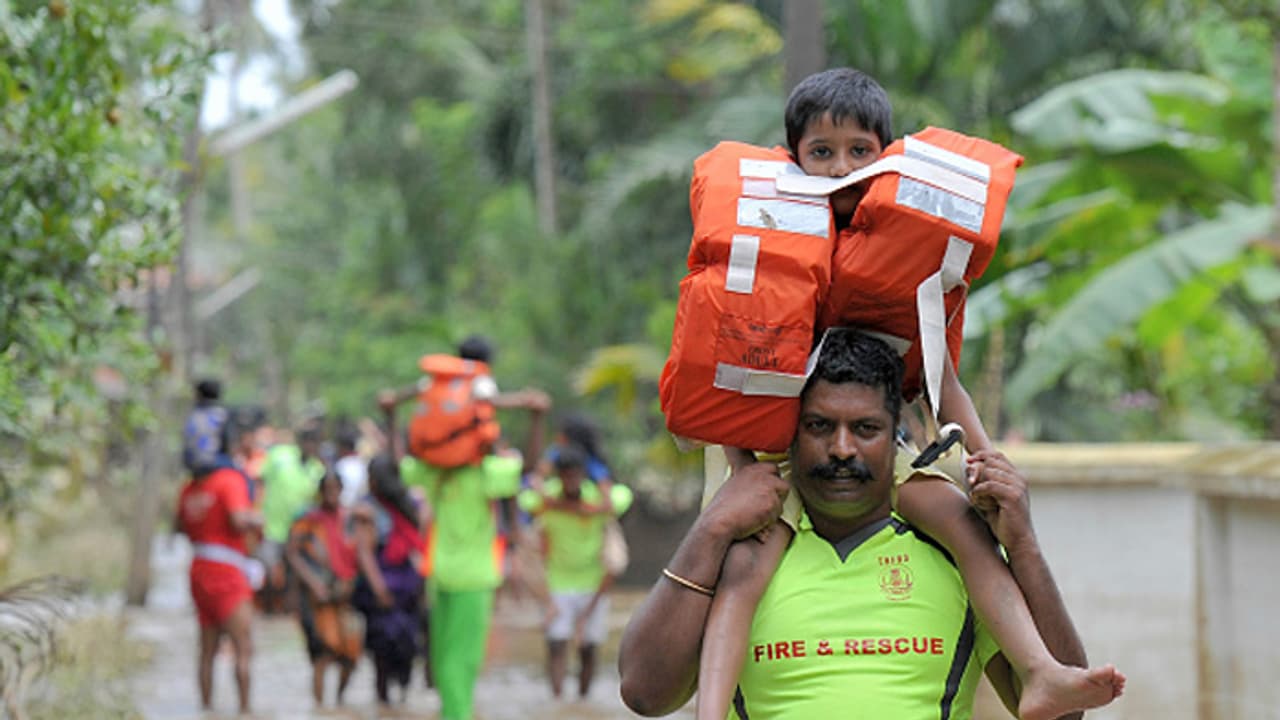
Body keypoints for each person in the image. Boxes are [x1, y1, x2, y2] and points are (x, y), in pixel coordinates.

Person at [696, 67, 1120, 720]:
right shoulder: (766, 247)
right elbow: (730, 380)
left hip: (883, 444)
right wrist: (740, 480)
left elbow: (944, 383)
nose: (841, 168)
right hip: (774, 459)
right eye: (822, 153)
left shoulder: (907, 255)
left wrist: (985, 457)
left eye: (858, 152)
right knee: (747, 567)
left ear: (887, 157)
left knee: (960, 523)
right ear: (791, 161)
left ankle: (1040, 670)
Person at [619, 329, 1124, 718]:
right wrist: (710, 530)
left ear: (896, 434)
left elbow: (1065, 714)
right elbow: (643, 694)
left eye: (865, 429)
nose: (842, 449)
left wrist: (1025, 544)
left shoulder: (954, 548)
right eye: (818, 426)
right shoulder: (739, 547)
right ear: (787, 432)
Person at [382, 351, 551, 720]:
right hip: (464, 576)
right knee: (455, 663)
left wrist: (392, 415)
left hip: (448, 575)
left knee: (448, 663)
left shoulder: (440, 472)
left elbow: (398, 465)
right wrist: (536, 419)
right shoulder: (479, 472)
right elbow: (531, 466)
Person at [517, 445, 633, 699]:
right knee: (556, 644)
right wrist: (542, 484)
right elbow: (524, 497)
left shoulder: (597, 497)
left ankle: (582, 703)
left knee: (589, 649)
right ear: (559, 476)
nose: (571, 481)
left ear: (583, 475)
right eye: (565, 475)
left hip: (594, 583)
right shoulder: (547, 496)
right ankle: (557, 703)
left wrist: (593, 504)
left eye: (575, 475)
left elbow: (624, 497)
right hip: (557, 582)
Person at [175, 423, 263, 715]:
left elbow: (179, 526)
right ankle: (245, 710)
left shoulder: (190, 486)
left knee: (207, 650)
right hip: (227, 570)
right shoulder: (230, 479)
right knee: (243, 647)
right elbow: (239, 520)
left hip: (198, 570)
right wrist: (257, 520)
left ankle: (206, 709)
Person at [350, 453, 428, 706]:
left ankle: (396, 702)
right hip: (383, 587)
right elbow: (364, 552)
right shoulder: (368, 509)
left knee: (405, 644)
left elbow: (421, 540)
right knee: (384, 646)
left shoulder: (408, 505)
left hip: (406, 584)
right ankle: (384, 702)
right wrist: (378, 587)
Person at [285, 470, 362, 706]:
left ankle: (338, 702)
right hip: (318, 596)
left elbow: (359, 554)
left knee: (351, 655)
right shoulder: (308, 520)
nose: (331, 494)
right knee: (323, 653)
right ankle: (319, 707)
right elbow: (292, 553)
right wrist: (313, 583)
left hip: (345, 594)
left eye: (335, 489)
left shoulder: (350, 519)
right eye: (327, 489)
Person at [258, 423, 326, 614]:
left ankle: (286, 613)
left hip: (299, 532)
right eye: (307, 442)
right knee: (270, 570)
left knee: (293, 575)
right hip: (273, 526)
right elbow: (261, 481)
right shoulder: (279, 456)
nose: (310, 447)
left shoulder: (317, 470)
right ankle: (268, 610)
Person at [333, 425, 368, 507]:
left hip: (344, 508)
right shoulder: (362, 464)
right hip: (358, 507)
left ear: (343, 447)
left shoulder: (340, 465)